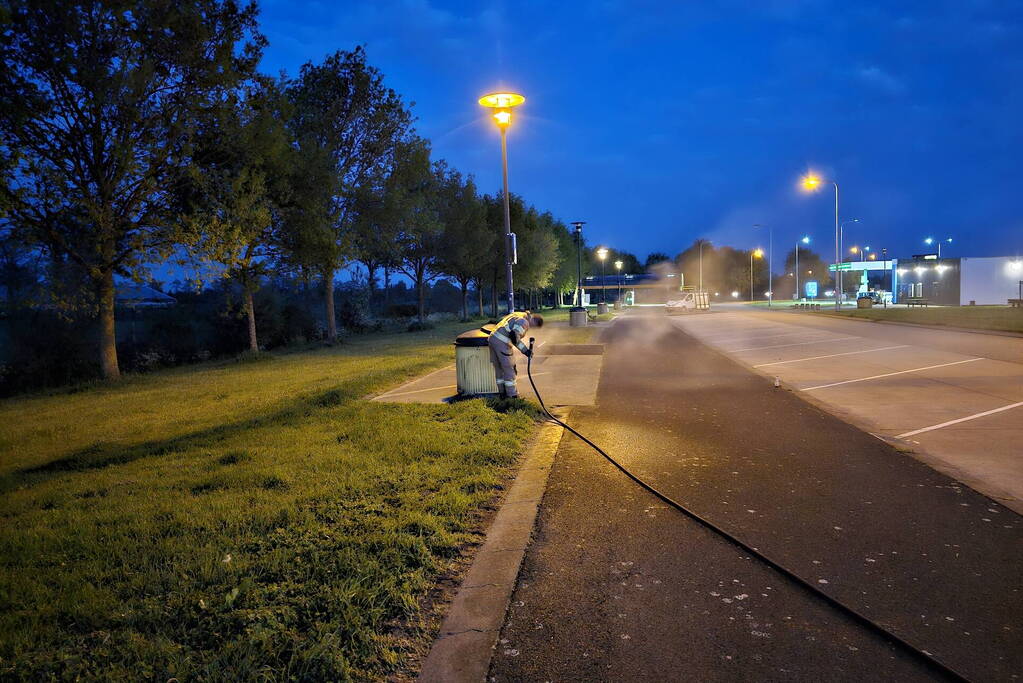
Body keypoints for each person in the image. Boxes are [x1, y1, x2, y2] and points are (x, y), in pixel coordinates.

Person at [488, 310, 544, 398]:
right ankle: (512, 395)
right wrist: (526, 350)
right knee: (509, 369)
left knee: (499, 368)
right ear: (534, 320)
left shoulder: (518, 314)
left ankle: (502, 393)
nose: (531, 327)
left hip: (492, 338)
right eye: (534, 326)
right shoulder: (524, 322)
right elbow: (514, 336)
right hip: (502, 342)